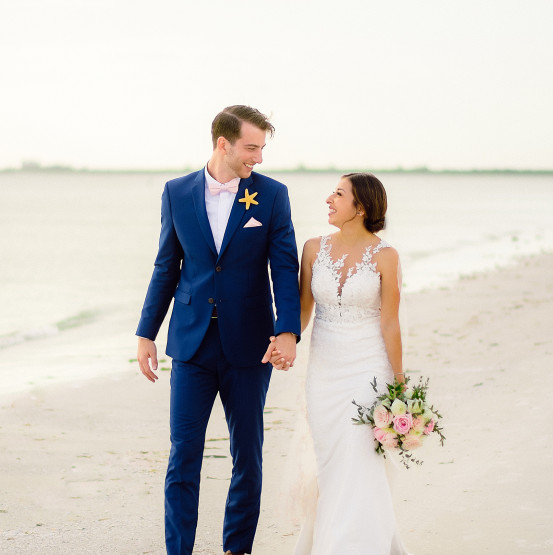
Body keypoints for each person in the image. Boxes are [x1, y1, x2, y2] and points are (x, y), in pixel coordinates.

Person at [135, 105, 301, 555]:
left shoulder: (271, 195)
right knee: (182, 457)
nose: (259, 159)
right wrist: (146, 332)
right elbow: (167, 265)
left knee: (247, 455)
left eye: (262, 148)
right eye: (251, 148)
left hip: (251, 346)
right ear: (222, 144)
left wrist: (288, 330)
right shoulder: (176, 192)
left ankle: (237, 549)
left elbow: (285, 267)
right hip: (190, 346)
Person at [271, 172, 410, 554]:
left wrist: (399, 384)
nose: (328, 199)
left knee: (361, 460)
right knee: (331, 459)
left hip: (368, 369)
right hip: (324, 373)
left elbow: (389, 322)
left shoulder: (386, 256)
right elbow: (302, 311)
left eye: (338, 193)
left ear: (361, 207)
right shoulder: (314, 249)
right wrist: (282, 340)